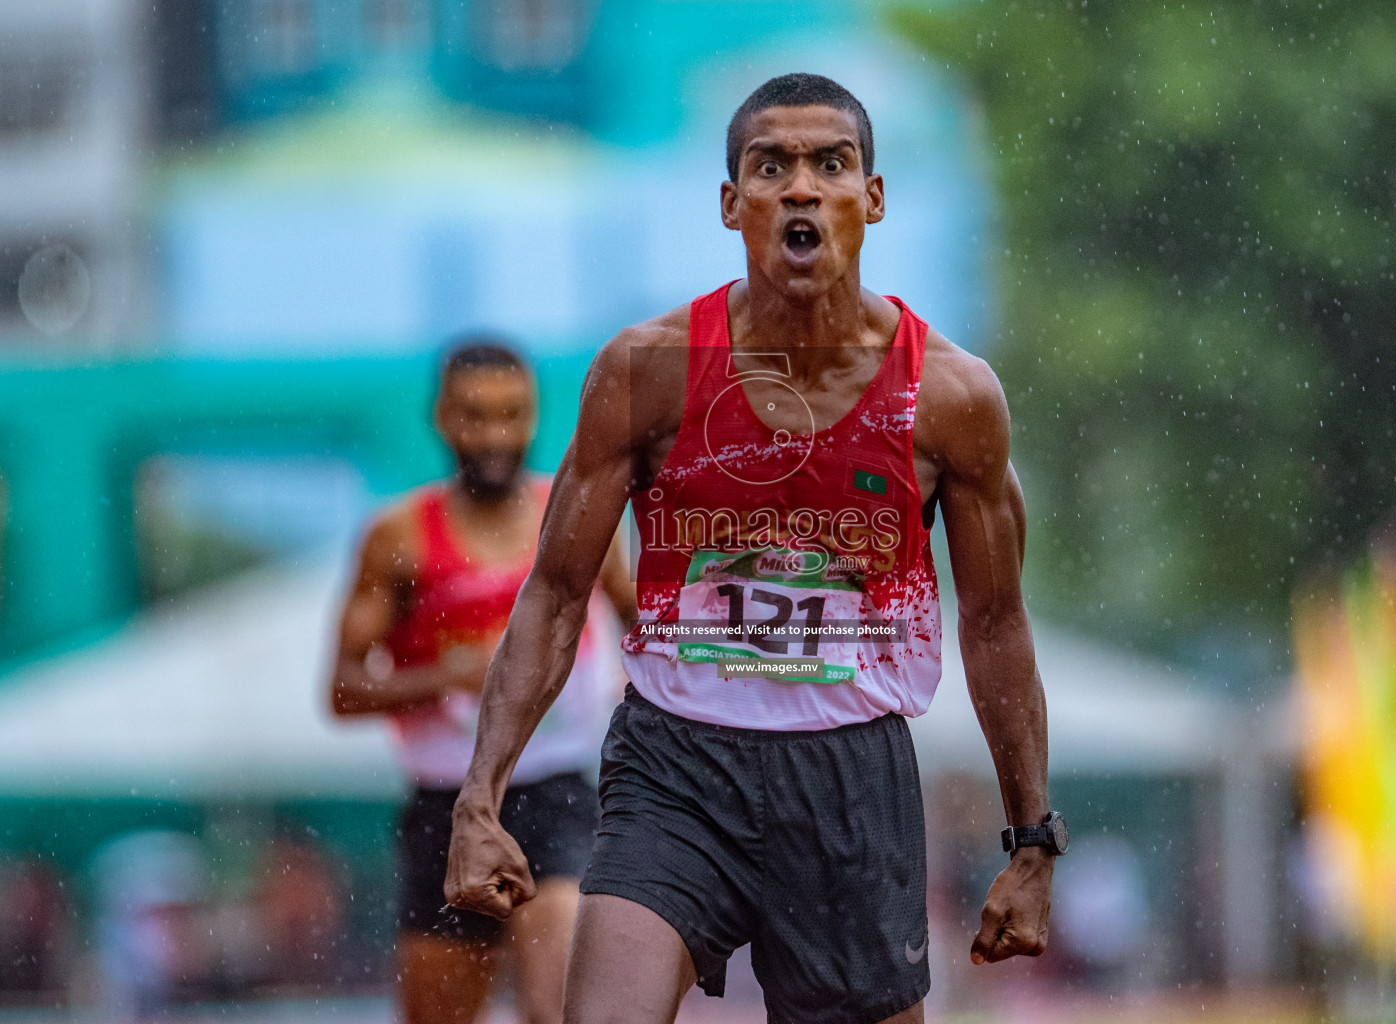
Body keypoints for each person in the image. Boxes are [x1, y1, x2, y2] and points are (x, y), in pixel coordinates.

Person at [446, 74, 1062, 1024]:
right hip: (676, 762)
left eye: (832, 163)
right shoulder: (647, 373)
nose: (802, 188)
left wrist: (1031, 842)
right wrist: (479, 798)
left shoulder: (948, 396)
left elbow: (993, 623)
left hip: (851, 775)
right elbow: (557, 593)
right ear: (734, 204)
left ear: (874, 198)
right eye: (772, 167)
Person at [330, 339, 635, 1024]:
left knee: (559, 1004)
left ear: (533, 416)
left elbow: (646, 626)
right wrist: (447, 676)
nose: (496, 436)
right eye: (475, 415)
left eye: (511, 415)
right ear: (442, 418)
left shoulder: (576, 517)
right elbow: (341, 691)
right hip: (445, 803)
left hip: (555, 794)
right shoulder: (399, 539)